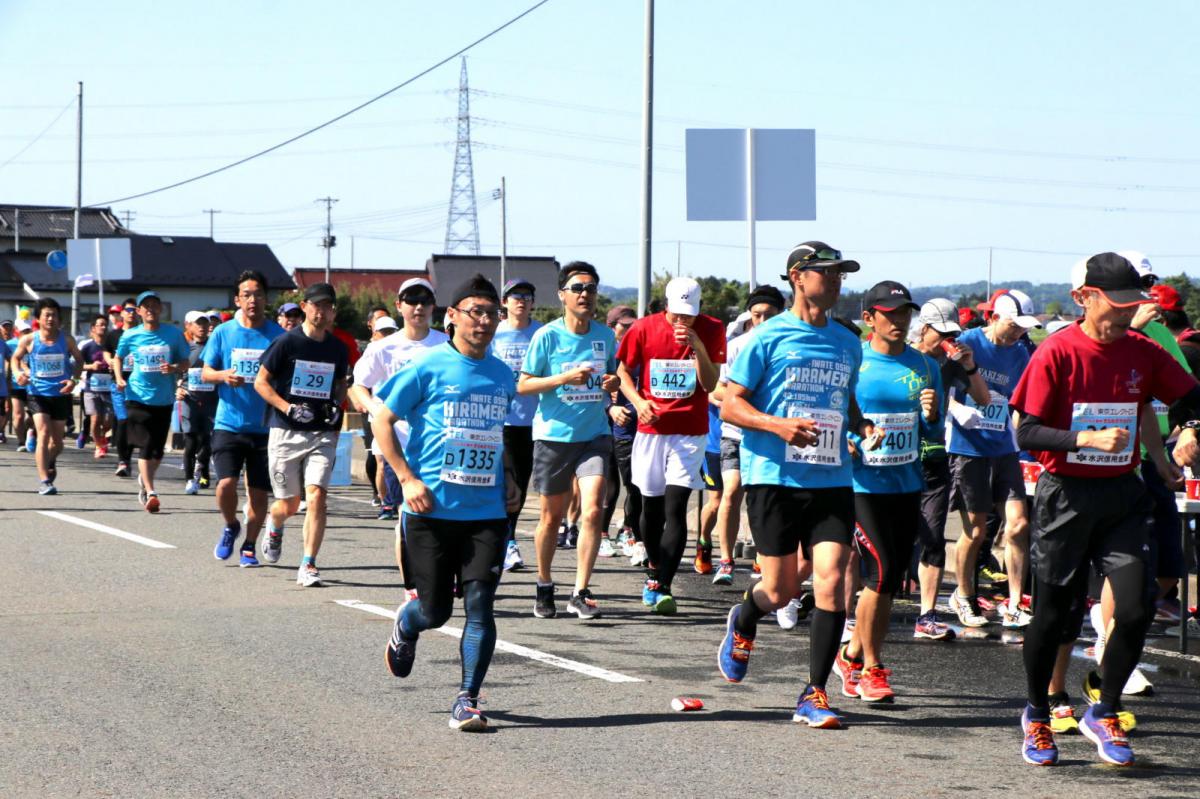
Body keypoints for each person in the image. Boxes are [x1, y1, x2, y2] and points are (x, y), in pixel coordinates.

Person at [1009, 252, 1200, 767]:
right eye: (1115, 305)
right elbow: (1025, 432)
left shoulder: (1141, 350)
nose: (1123, 315)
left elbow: (1191, 398)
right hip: (1065, 495)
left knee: (1136, 608)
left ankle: (1105, 709)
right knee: (1052, 617)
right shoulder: (1056, 352)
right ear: (1083, 298)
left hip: (1122, 494)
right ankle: (1037, 713)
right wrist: (1084, 438)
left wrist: (1189, 431)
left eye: (1131, 305)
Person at [715, 241, 862, 729]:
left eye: (842, 274)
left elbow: (845, 401)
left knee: (833, 578)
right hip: (775, 477)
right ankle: (745, 617)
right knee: (779, 591)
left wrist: (861, 428)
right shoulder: (767, 337)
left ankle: (814, 692)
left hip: (832, 476)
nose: (838, 281)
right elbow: (730, 405)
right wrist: (779, 426)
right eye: (829, 273)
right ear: (798, 276)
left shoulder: (847, 341)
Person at [375, 274, 517, 731]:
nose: (484, 321)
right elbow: (382, 418)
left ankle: (468, 699)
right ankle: (407, 624)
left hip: (486, 513)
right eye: (474, 311)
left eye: (491, 313)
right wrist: (405, 478)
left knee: (481, 605)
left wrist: (509, 478)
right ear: (451, 316)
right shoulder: (426, 366)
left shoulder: (501, 373)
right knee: (435, 611)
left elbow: (495, 434)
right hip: (429, 510)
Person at [828, 281, 942, 704]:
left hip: (905, 483)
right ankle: (873, 667)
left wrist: (931, 416)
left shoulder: (925, 366)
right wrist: (850, 438)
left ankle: (851, 653)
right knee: (881, 568)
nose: (899, 321)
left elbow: (932, 428)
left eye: (905, 313)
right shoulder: (854, 362)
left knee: (890, 579)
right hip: (861, 485)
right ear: (869, 318)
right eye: (890, 314)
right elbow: (833, 414)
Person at [617, 276, 726, 614]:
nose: (683, 321)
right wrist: (637, 402)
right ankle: (653, 566)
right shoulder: (643, 329)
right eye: (677, 314)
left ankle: (663, 584)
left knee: (676, 507)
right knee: (651, 508)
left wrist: (697, 347)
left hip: (690, 432)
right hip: (651, 430)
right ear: (666, 306)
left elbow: (709, 383)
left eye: (689, 315)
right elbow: (622, 371)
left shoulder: (711, 329)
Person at [517, 262, 619, 619]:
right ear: (562, 295)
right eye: (577, 288)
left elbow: (613, 376)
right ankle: (544, 583)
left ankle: (580, 590)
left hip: (594, 435)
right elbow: (524, 384)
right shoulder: (547, 336)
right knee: (550, 517)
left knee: (593, 509)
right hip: (554, 438)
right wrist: (563, 378)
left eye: (590, 288)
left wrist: (612, 385)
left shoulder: (606, 336)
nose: (585, 294)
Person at [946, 289, 1038, 628]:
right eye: (1014, 326)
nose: (1019, 333)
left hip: (1004, 449)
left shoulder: (1021, 352)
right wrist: (957, 410)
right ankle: (964, 595)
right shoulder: (967, 341)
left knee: (1019, 524)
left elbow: (1020, 401)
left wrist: (1019, 437)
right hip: (969, 448)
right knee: (976, 531)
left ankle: (1014, 603)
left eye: (1024, 328)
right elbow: (939, 387)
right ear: (995, 317)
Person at [348, 277, 448, 588]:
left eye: (425, 301)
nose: (418, 307)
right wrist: (375, 410)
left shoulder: (446, 343)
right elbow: (358, 385)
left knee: (442, 514)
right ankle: (412, 587)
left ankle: (443, 574)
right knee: (408, 515)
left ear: (433, 306)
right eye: (411, 300)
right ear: (399, 306)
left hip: (438, 443)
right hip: (398, 442)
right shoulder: (383, 347)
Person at [255, 282, 350, 587]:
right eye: (317, 305)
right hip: (286, 431)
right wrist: (288, 407)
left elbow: (339, 384)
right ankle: (275, 522)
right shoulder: (286, 343)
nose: (322, 312)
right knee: (289, 504)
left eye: (328, 306)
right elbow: (261, 383)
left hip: (322, 431)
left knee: (318, 496)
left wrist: (337, 404)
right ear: (305, 306)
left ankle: (308, 563)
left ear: (333, 312)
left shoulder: (338, 348)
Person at [908, 299, 990, 640]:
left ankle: (927, 614)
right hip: (893, 461)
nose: (948, 340)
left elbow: (984, 398)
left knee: (933, 537)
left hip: (935, 457)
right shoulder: (902, 357)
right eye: (942, 333)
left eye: (953, 333)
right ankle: (851, 612)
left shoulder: (951, 363)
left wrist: (969, 366)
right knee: (888, 540)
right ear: (924, 328)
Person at [204, 271, 286, 564]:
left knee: (259, 493)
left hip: (266, 427)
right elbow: (205, 372)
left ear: (267, 298)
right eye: (247, 295)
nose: (253, 300)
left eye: (258, 294)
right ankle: (231, 525)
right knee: (225, 484)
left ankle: (250, 545)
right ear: (237, 299)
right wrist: (223, 375)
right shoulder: (223, 333)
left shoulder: (278, 336)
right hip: (229, 423)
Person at [712, 286, 786, 588]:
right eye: (757, 315)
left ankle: (761, 555)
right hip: (735, 433)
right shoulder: (737, 346)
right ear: (749, 315)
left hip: (771, 433)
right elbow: (715, 388)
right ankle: (726, 560)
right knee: (731, 492)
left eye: (769, 315)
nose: (763, 320)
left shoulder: (787, 346)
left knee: (763, 499)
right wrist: (734, 401)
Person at [112, 291, 190, 511]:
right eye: (145, 306)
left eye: (155, 305)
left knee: (157, 450)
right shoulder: (130, 336)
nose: (150, 309)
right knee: (146, 445)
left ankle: (145, 483)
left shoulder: (173, 334)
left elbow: (185, 361)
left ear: (161, 309)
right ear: (138, 312)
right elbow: (118, 357)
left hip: (163, 399)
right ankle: (151, 490)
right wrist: (119, 378)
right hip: (136, 396)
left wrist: (174, 368)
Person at [489, 277, 543, 571]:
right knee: (505, 484)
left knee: (520, 486)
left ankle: (505, 537)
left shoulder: (542, 334)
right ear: (504, 302)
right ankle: (507, 541)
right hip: (502, 420)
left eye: (527, 295)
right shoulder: (494, 335)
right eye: (515, 295)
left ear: (534, 302)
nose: (521, 300)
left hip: (536, 420)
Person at [11, 298, 84, 495]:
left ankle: (49, 460)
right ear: (38, 318)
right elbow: (15, 359)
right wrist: (18, 374)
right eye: (47, 315)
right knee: (42, 433)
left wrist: (74, 381)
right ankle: (44, 481)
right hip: (37, 393)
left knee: (57, 443)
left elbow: (79, 360)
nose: (51, 318)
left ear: (59, 318)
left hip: (60, 394)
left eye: (54, 315)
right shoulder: (29, 340)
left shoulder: (66, 339)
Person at [601, 306, 643, 562]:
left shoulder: (639, 351)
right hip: (605, 426)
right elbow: (597, 386)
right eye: (623, 326)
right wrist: (611, 407)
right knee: (610, 486)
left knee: (634, 485)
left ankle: (628, 530)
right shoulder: (606, 352)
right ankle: (602, 534)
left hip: (634, 427)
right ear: (612, 327)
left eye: (632, 326)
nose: (628, 330)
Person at [179, 311, 216, 493]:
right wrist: (176, 388)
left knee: (208, 440)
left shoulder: (215, 345)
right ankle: (189, 480)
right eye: (198, 323)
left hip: (211, 401)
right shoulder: (184, 348)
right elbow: (173, 371)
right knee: (191, 440)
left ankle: (203, 469)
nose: (202, 327)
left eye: (205, 323)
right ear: (189, 326)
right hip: (189, 399)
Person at [105, 300, 140, 476]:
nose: (131, 313)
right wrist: (110, 360)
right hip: (119, 383)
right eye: (128, 310)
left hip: (140, 384)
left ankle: (131, 456)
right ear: (122, 313)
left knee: (134, 422)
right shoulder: (114, 335)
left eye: (134, 310)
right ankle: (123, 461)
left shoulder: (143, 334)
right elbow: (106, 350)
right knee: (123, 420)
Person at [79, 315, 114, 459]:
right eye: (100, 324)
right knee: (95, 419)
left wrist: (114, 367)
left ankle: (103, 437)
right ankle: (99, 445)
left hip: (109, 388)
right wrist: (91, 366)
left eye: (105, 324)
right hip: (91, 388)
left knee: (108, 420)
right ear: (93, 328)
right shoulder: (88, 347)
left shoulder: (112, 346)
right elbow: (78, 364)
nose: (103, 327)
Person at [8, 318, 33, 452]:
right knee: (18, 415)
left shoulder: (34, 343)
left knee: (35, 416)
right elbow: (7, 362)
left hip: (32, 385)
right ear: (17, 331)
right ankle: (21, 442)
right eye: (23, 331)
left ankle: (29, 430)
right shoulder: (10, 344)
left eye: (28, 330)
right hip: (16, 385)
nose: (26, 333)